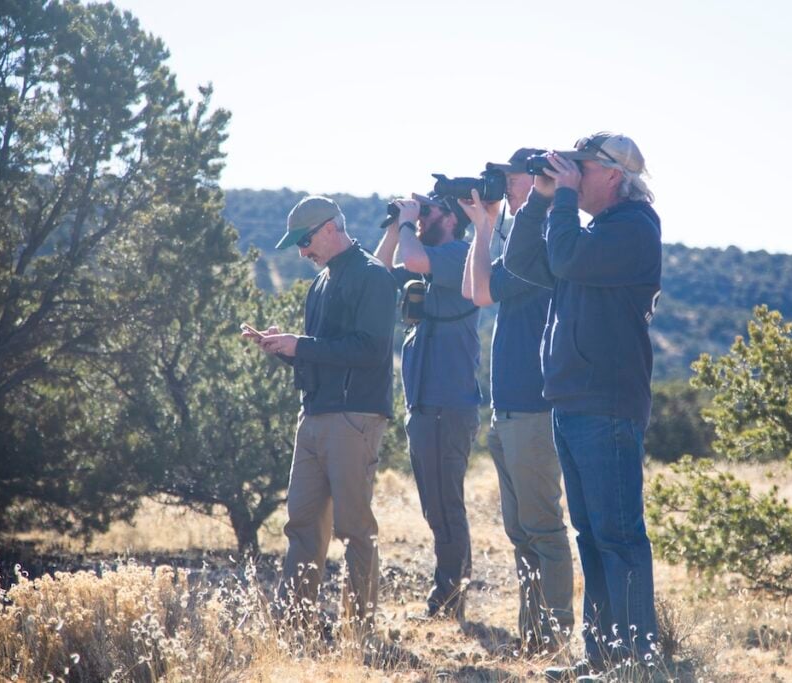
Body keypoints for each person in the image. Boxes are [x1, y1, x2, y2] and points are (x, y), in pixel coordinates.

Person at [502, 133, 663, 679]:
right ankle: (602, 661)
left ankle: (637, 665)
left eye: (583, 167)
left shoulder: (635, 230)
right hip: (574, 402)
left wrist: (563, 199)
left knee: (618, 537)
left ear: (615, 175)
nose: (574, 174)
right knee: (592, 538)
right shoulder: (590, 231)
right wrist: (543, 198)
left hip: (606, 404)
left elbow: (566, 256)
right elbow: (524, 262)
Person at [244, 196, 397, 632]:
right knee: (303, 527)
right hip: (312, 417)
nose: (302, 252)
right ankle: (294, 630)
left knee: (354, 530)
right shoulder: (322, 282)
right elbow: (323, 354)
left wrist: (301, 345)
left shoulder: (373, 277)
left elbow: (370, 350)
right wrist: (284, 348)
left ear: (331, 228)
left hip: (353, 418)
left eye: (305, 241)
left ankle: (357, 633)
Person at [457, 148, 574, 652]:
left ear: (539, 179)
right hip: (509, 410)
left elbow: (480, 292)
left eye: (510, 178)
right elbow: (473, 287)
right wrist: (483, 229)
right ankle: (535, 635)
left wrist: (487, 229)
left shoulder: (543, 241)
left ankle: (554, 638)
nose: (503, 186)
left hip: (532, 406)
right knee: (521, 532)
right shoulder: (524, 239)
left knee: (542, 529)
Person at [375, 190, 479, 621]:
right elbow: (378, 272)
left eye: (428, 212)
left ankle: (450, 599)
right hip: (425, 405)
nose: (420, 219)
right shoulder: (428, 259)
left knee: (445, 504)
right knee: (435, 505)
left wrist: (406, 226)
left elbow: (415, 260)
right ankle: (450, 593)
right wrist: (396, 224)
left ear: (452, 219)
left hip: (447, 402)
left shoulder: (459, 253)